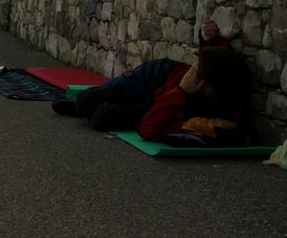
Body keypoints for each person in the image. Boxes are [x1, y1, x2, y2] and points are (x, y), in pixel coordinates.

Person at [51, 20, 252, 145]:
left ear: (207, 89)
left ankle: (91, 108)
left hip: (159, 102)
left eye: (196, 73)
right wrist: (209, 37)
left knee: (100, 119)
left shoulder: (224, 107)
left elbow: (149, 129)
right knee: (89, 100)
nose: (192, 72)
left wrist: (182, 91)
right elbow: (219, 57)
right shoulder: (221, 72)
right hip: (157, 75)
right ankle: (81, 106)